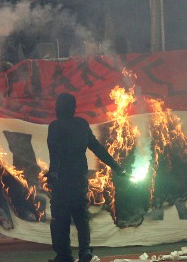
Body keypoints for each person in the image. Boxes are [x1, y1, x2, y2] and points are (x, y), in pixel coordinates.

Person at [47, 92, 125, 262]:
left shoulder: (54, 126)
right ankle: (85, 251)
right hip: (78, 178)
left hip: (62, 180)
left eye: (57, 105)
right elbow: (97, 148)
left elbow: (55, 154)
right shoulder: (82, 125)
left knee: (60, 220)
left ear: (60, 108)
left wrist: (53, 174)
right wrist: (116, 167)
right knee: (81, 216)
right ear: (74, 109)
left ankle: (64, 256)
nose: (55, 108)